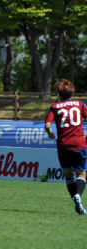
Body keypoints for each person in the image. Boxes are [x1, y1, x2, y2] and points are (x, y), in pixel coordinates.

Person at [45, 79, 87, 215]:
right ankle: (78, 196)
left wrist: (50, 133)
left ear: (58, 94)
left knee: (68, 175)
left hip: (63, 146)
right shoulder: (80, 105)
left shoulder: (55, 107)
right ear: (71, 92)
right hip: (79, 144)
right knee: (81, 173)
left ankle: (76, 202)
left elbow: (47, 125)